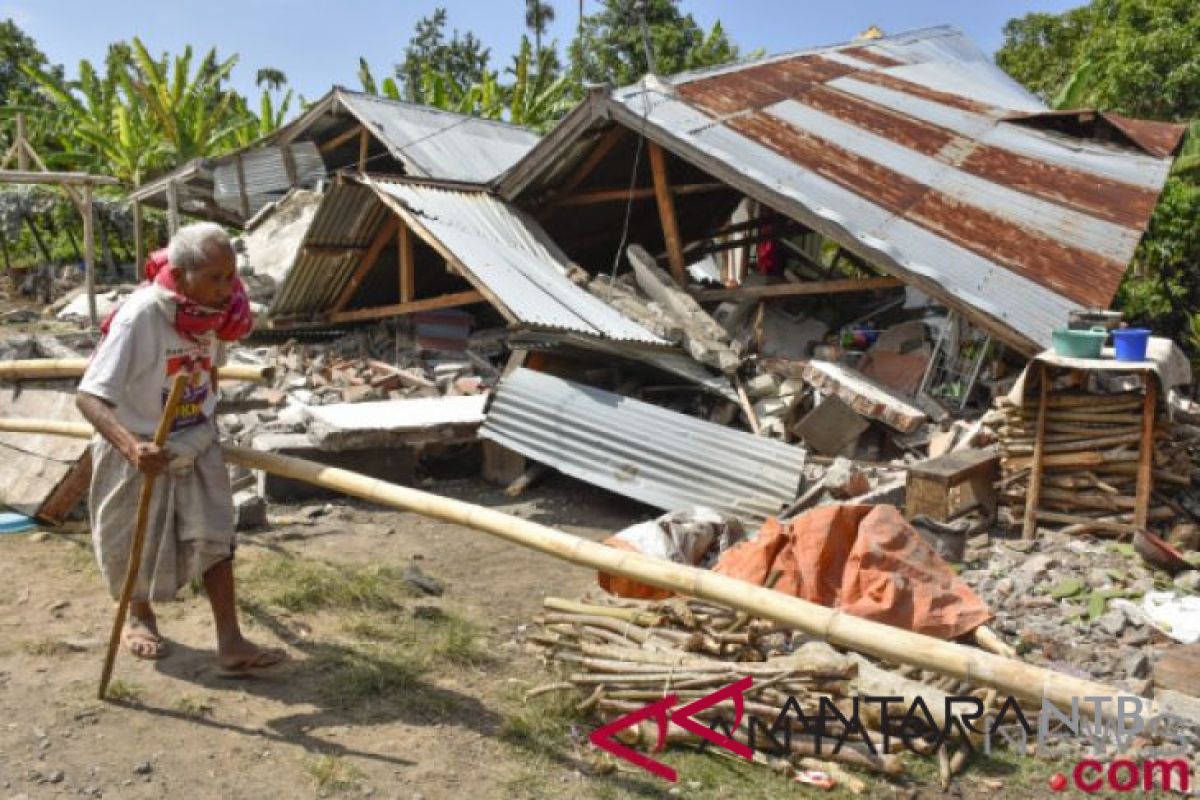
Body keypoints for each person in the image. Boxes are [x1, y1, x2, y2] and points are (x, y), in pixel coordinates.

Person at [76, 222, 286, 673]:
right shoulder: (141, 317)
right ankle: (139, 615)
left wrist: (205, 406)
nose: (227, 288)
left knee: (216, 536)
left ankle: (231, 641)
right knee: (132, 538)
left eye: (230, 276)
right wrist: (134, 448)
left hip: (194, 435)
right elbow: (88, 397)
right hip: (135, 438)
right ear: (182, 273)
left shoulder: (218, 311)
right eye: (215, 278)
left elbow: (211, 367)